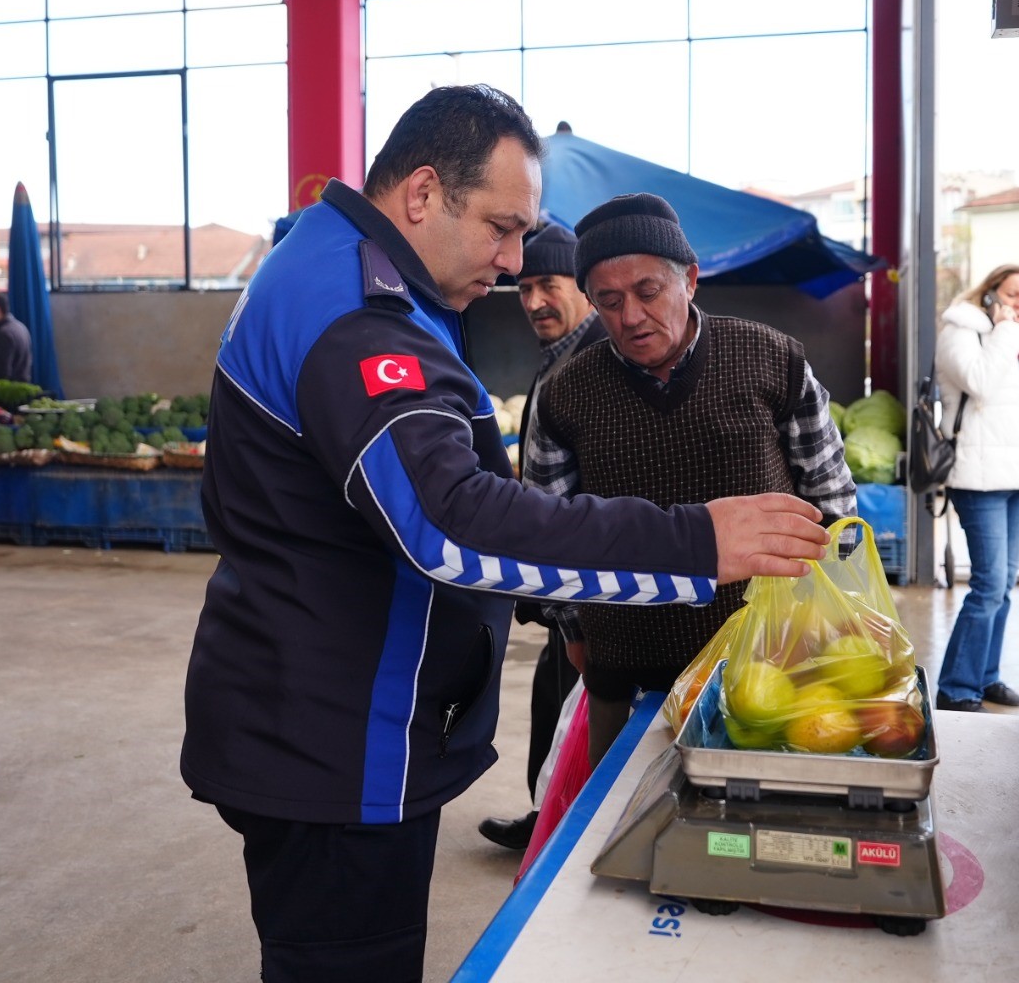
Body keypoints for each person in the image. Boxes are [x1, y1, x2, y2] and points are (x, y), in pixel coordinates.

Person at [180, 85, 829, 983]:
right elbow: (449, 520)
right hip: (335, 738)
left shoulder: (338, 272)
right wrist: (696, 544)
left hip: (324, 713)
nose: (517, 258)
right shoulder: (359, 317)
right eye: (501, 226)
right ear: (420, 195)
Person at [528, 193, 859, 766]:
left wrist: (818, 619)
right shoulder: (565, 393)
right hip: (624, 672)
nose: (631, 316)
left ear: (691, 280)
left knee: (752, 821)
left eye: (648, 292)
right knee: (618, 830)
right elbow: (545, 531)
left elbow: (831, 502)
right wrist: (575, 634)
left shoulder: (771, 360)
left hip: (763, 665)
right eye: (608, 301)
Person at [476, 221, 604, 853]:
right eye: (523, 288)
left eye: (546, 285)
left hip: (586, 581)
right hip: (562, 581)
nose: (532, 302)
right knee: (552, 702)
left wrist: (572, 608)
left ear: (580, 286)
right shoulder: (565, 356)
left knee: (573, 703)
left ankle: (559, 828)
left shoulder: (595, 361)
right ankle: (547, 815)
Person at [932, 263, 1019, 713]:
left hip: (1016, 475)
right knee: (988, 586)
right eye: (1014, 295)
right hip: (978, 477)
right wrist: (1008, 332)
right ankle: (956, 687)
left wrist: (1015, 336)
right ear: (990, 293)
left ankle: (986, 675)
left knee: (1006, 586)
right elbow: (978, 382)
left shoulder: (1017, 342)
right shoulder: (962, 328)